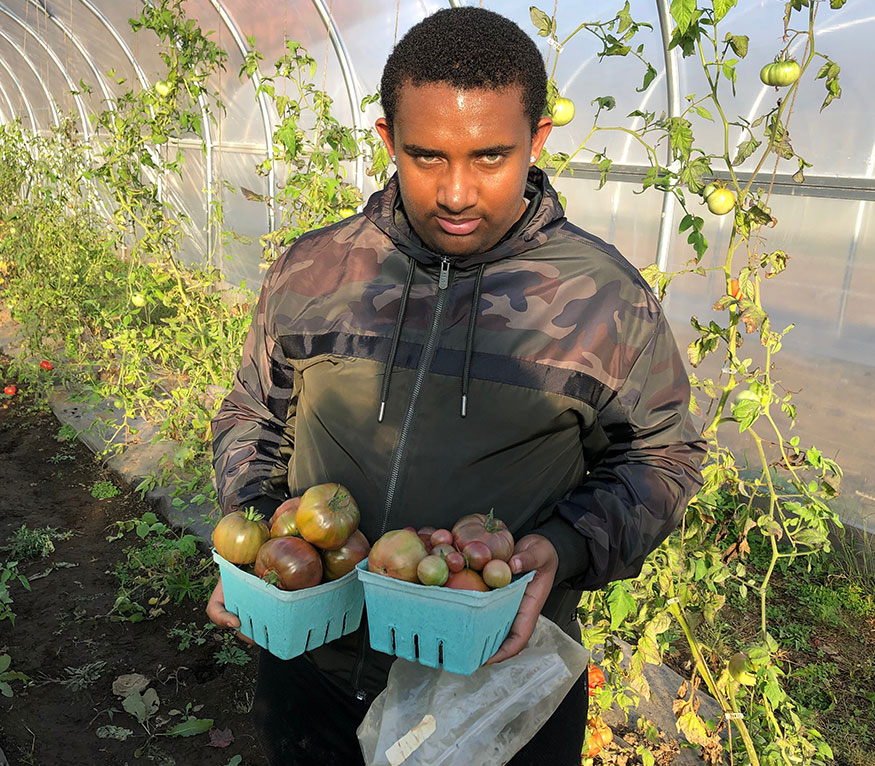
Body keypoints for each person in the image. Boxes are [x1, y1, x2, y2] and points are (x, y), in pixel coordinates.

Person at [207, 7, 706, 765]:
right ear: (387, 141)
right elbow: (253, 412)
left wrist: (564, 546)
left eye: (490, 157)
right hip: (317, 665)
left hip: (499, 682)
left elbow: (663, 457)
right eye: (427, 156)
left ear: (537, 141)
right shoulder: (315, 273)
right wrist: (259, 533)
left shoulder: (603, 303)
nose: (456, 192)